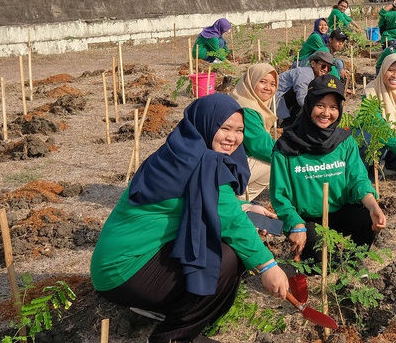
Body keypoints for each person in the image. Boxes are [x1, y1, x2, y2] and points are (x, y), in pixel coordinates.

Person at [91, 94, 289, 343]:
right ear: (205, 123)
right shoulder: (203, 164)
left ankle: (166, 310)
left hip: (118, 263)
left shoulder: (181, 152)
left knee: (218, 244)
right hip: (125, 271)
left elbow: (200, 198)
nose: (233, 137)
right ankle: (174, 335)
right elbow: (231, 223)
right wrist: (268, 266)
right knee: (226, 257)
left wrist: (245, 207)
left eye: (239, 130)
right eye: (224, 128)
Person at [270, 75, 386, 264]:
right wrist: (296, 224)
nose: (326, 113)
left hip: (340, 212)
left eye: (333, 107)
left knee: (366, 218)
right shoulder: (286, 146)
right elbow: (279, 195)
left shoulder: (344, 141)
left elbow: (358, 179)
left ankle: (351, 265)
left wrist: (373, 206)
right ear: (309, 105)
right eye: (320, 105)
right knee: (318, 262)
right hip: (306, 220)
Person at [230, 64, 278, 200]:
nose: (268, 88)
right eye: (262, 82)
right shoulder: (248, 109)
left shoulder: (242, 98)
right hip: (232, 163)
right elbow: (262, 147)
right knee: (274, 163)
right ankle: (238, 200)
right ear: (251, 81)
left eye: (273, 84)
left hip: (231, 159)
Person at [276, 50, 337, 127]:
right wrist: (318, 113)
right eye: (323, 66)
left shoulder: (316, 78)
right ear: (313, 64)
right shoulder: (304, 74)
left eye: (329, 68)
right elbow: (301, 99)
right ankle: (287, 124)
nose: (326, 70)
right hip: (276, 103)